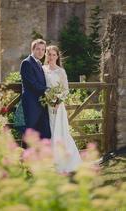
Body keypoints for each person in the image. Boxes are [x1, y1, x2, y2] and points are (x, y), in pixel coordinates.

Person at [43, 45, 82, 173]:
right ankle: (51, 162)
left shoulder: (61, 71)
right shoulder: (42, 69)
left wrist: (58, 100)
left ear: (57, 56)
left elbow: (65, 90)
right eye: (49, 54)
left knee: (60, 132)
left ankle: (65, 161)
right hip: (46, 107)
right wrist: (48, 98)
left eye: (54, 54)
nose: (51, 57)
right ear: (46, 55)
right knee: (49, 131)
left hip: (58, 108)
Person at [20, 39, 51, 141]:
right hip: (31, 103)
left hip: (42, 102)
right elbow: (32, 84)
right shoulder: (26, 63)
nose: (40, 52)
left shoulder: (39, 64)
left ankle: (40, 156)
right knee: (30, 131)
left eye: (43, 50)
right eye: (38, 49)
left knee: (44, 131)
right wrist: (48, 90)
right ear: (32, 49)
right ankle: (27, 156)